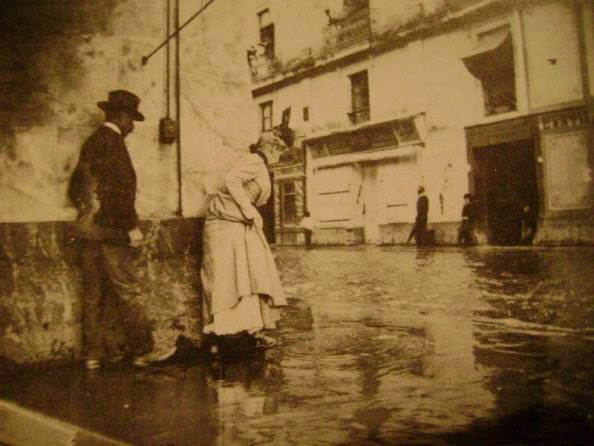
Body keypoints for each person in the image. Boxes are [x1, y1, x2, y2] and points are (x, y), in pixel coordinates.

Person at [68, 90, 168, 370]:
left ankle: (94, 355)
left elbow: (76, 187)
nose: (132, 127)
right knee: (126, 290)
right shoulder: (113, 144)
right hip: (112, 231)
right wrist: (129, 228)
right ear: (121, 116)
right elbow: (122, 192)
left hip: (88, 231)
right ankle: (143, 350)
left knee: (94, 293)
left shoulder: (92, 143)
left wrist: (88, 214)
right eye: (131, 120)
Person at [201, 146, 287, 353]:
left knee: (247, 277)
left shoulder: (259, 165)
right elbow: (232, 180)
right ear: (270, 147)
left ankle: (249, 333)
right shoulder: (254, 160)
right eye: (280, 147)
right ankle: (222, 336)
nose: (282, 152)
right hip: (224, 225)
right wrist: (249, 210)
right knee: (228, 279)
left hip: (236, 225)